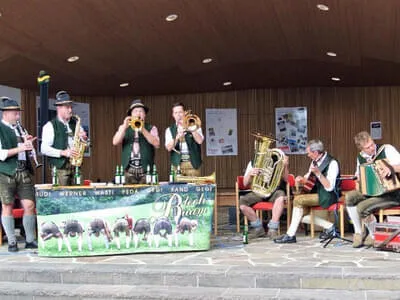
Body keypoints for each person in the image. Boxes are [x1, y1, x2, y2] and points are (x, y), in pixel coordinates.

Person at [274, 139, 340, 244]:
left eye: (309, 153)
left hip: (328, 195)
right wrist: (302, 179)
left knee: (298, 200)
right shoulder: (314, 162)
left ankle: (290, 235)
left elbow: (329, 187)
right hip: (316, 193)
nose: (308, 155)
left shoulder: (332, 163)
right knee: (302, 215)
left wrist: (318, 173)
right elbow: (308, 179)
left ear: (315, 152)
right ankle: (330, 227)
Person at [345, 131, 400, 248]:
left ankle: (373, 235)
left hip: (392, 193)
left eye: (372, 144)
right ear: (361, 149)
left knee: (362, 208)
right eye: (367, 147)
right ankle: (358, 232)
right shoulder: (360, 157)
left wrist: (390, 168)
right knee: (349, 197)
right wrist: (360, 179)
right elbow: (358, 175)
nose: (371, 148)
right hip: (371, 192)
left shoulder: (387, 149)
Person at [0, 97, 38, 252]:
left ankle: (30, 239)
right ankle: (12, 241)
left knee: (29, 205)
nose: (17, 116)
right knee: (7, 205)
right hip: (5, 171)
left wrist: (28, 143)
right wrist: (20, 148)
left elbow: (24, 151)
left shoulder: (20, 129)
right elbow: (1, 154)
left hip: (23, 170)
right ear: (5, 113)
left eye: (17, 113)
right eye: (15, 113)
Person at [41, 91, 87, 186]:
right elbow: (44, 149)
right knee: (62, 198)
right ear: (59, 108)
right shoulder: (50, 126)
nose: (70, 110)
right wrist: (63, 152)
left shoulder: (76, 123)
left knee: (80, 197)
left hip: (76, 166)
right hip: (60, 169)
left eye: (71, 107)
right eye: (67, 107)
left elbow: (84, 143)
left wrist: (84, 138)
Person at [239, 154, 289, 239]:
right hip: (258, 192)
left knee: (281, 196)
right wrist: (250, 174)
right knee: (243, 202)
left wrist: (285, 166)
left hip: (274, 191)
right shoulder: (253, 162)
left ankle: (273, 229)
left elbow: (286, 179)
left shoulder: (277, 160)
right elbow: (245, 183)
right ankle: (258, 228)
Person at [113, 99, 160, 184]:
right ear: (131, 115)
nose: (138, 114)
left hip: (146, 171)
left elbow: (157, 144)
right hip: (129, 171)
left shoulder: (151, 128)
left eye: (141, 111)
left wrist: (143, 130)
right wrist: (124, 127)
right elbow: (115, 142)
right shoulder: (124, 127)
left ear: (145, 114)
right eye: (135, 111)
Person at [165, 102, 204, 177]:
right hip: (177, 165)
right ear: (173, 115)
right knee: (177, 188)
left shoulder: (195, 125)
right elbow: (169, 148)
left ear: (185, 113)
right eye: (176, 113)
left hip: (193, 164)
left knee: (193, 188)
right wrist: (177, 137)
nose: (178, 115)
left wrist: (192, 129)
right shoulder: (169, 130)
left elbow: (200, 141)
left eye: (180, 112)